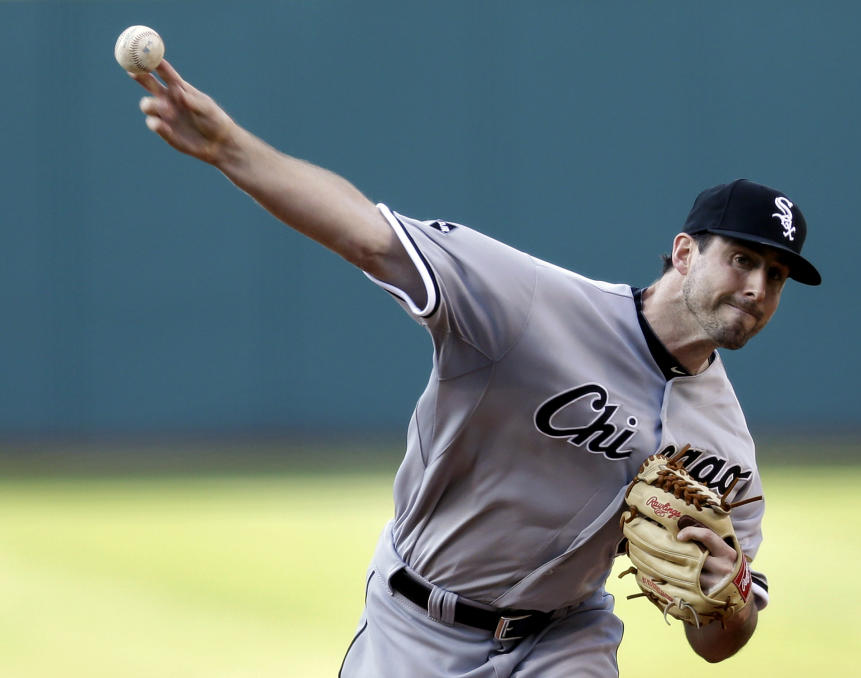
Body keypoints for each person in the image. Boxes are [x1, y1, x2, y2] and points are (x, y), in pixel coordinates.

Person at [128, 60, 821, 676]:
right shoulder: (530, 305)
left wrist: (724, 599)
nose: (759, 288)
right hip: (417, 625)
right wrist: (229, 149)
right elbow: (369, 236)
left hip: (567, 639)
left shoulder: (726, 453)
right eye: (744, 259)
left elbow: (720, 644)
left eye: (778, 275)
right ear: (683, 253)